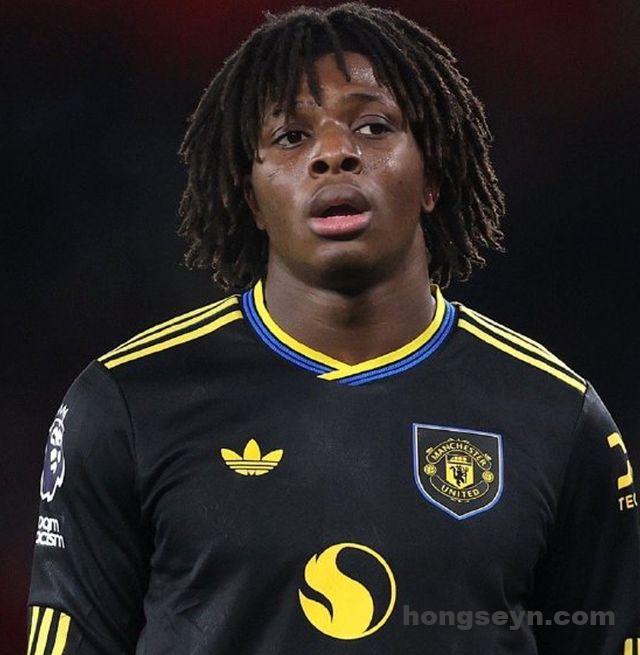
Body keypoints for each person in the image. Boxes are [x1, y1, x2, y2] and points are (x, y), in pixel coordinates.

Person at [27, 3, 639, 653]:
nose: (335, 154)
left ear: (431, 176)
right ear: (250, 194)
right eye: (292, 137)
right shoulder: (127, 404)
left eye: (373, 127)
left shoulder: (556, 415)